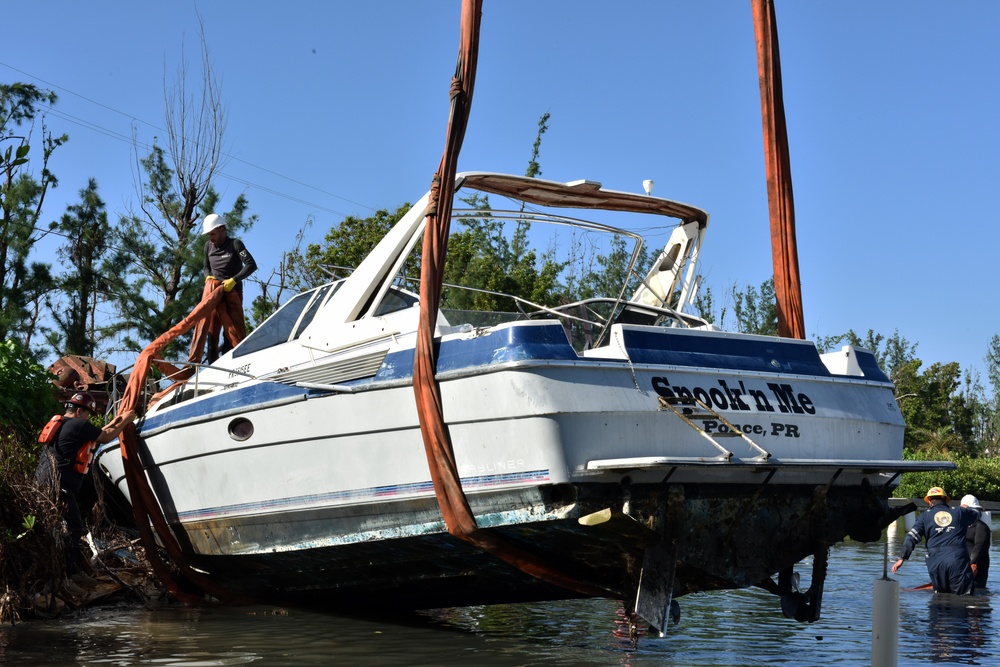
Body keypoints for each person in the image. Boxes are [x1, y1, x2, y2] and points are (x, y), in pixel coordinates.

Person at [35, 392, 135, 595]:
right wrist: (128, 419)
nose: (88, 418)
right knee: (74, 527)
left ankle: (68, 573)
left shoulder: (65, 424)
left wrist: (117, 420)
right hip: (58, 487)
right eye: (88, 414)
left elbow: (99, 431)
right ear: (80, 411)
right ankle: (69, 576)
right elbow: (106, 436)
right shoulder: (79, 425)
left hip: (42, 485)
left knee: (61, 529)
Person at [188, 213, 257, 364]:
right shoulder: (208, 246)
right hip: (214, 295)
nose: (210, 238)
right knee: (211, 334)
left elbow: (251, 265)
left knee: (231, 333)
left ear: (221, 229)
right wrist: (208, 277)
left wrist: (234, 280)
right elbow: (206, 267)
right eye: (208, 235)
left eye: (212, 233)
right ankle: (213, 368)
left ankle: (232, 365)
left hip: (233, 293)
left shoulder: (235, 244)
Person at [892, 486, 982, 594]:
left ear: (929, 501)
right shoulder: (959, 512)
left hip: (936, 561)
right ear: (945, 499)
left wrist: (902, 557)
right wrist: (966, 507)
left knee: (940, 598)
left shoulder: (924, 517)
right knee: (963, 597)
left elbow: (912, 536)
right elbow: (977, 514)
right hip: (957, 559)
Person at [961, 494, 991, 588]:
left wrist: (972, 563)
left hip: (977, 567)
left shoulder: (981, 527)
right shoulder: (962, 525)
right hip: (964, 566)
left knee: (976, 593)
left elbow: (979, 546)